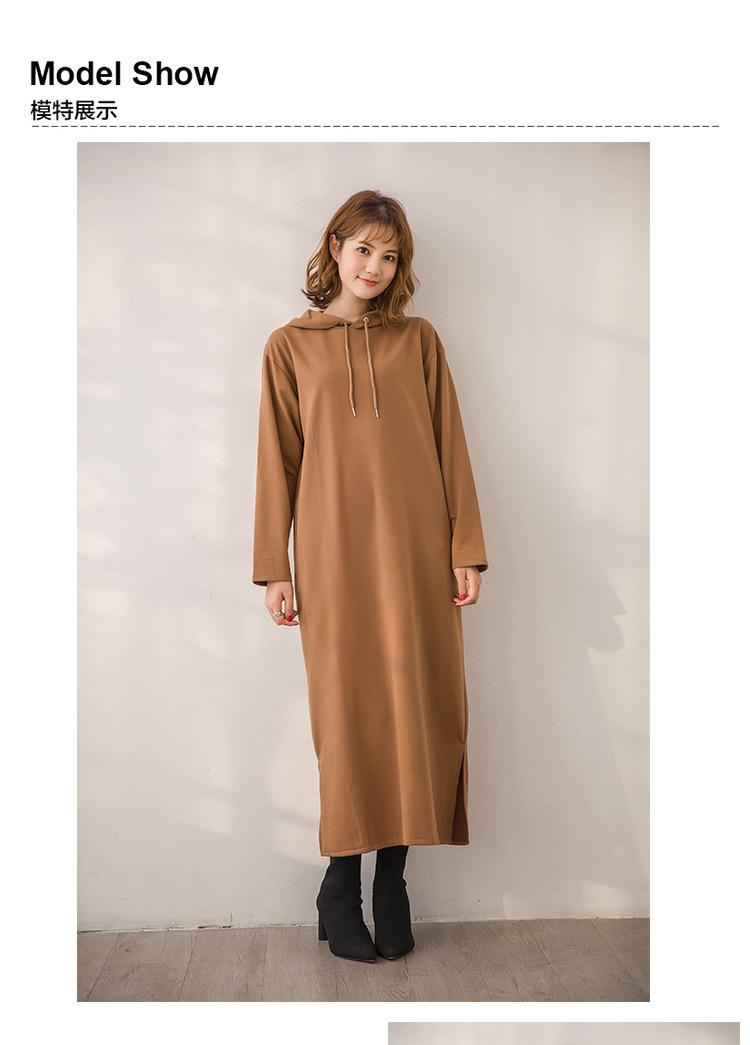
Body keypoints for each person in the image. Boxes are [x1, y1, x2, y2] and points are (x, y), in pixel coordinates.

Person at [252, 188, 488, 963]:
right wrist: (274, 567)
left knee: (417, 709)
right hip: (333, 556)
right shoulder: (289, 347)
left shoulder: (419, 341)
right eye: (364, 249)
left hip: (419, 555)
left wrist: (464, 546)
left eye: (390, 256)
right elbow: (278, 463)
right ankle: (339, 882)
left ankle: (393, 881)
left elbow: (451, 444)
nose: (375, 267)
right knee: (349, 717)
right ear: (335, 247)